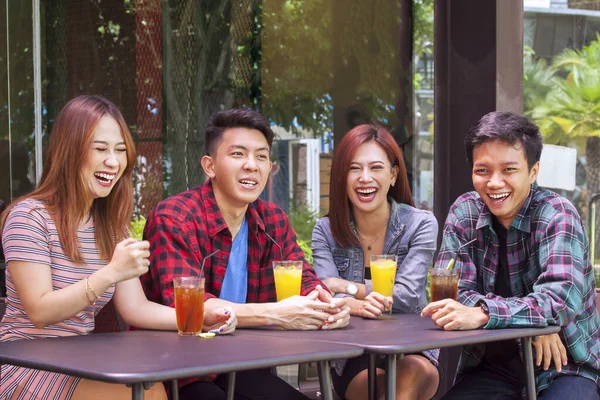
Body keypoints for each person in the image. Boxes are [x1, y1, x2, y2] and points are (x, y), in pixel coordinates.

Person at [0, 95, 236, 400]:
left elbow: (135, 308)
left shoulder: (109, 227)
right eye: (100, 149)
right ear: (69, 151)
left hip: (77, 362)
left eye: (121, 151)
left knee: (153, 391)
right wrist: (110, 273)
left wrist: (198, 317)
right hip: (25, 364)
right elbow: (40, 311)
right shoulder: (29, 216)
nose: (113, 162)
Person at [140, 108, 351, 400]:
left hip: (243, 366)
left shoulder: (272, 220)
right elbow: (191, 306)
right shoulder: (175, 217)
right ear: (210, 166)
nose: (252, 165)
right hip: (179, 370)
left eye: (261, 156)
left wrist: (328, 304)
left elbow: (305, 280)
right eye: (238, 154)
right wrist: (275, 315)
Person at [421, 111, 600, 400]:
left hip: (564, 364)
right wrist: (533, 322)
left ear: (533, 171)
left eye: (508, 170)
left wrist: (484, 313)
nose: (494, 182)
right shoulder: (464, 212)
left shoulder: (557, 214)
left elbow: (559, 301)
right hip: (493, 368)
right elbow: (451, 297)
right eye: (483, 170)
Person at [312, 124, 440, 400]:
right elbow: (324, 297)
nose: (365, 178)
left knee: (407, 376)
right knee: (376, 387)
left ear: (393, 174)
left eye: (376, 168)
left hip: (412, 344)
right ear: (342, 177)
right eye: (354, 168)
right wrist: (358, 303)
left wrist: (348, 289)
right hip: (351, 350)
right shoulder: (325, 231)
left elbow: (404, 298)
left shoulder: (420, 224)